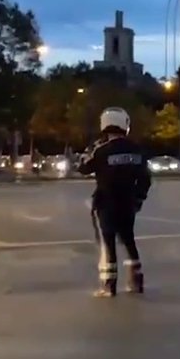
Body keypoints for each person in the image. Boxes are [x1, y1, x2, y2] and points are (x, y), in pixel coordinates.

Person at [77, 107, 152, 297]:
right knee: (128, 239)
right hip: (128, 202)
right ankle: (136, 281)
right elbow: (145, 178)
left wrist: (90, 149)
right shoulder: (137, 149)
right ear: (125, 124)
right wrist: (138, 198)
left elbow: (83, 168)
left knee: (107, 242)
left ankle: (108, 285)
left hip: (106, 202)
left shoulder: (101, 150)